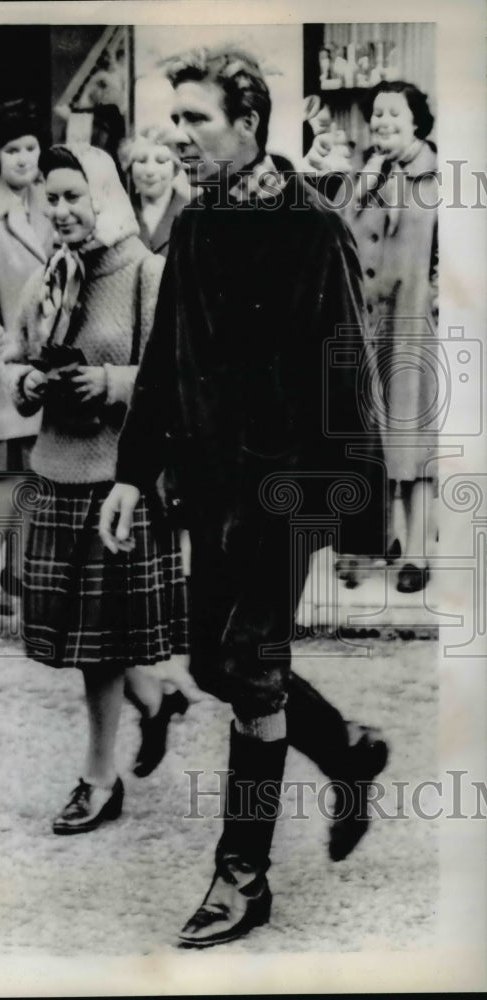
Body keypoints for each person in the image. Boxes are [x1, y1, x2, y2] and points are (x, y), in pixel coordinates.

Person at [100, 47, 389, 948]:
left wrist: (351, 517)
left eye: (196, 120)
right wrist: (131, 474)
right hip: (209, 490)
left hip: (289, 489)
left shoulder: (313, 228)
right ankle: (348, 754)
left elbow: (351, 374)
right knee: (212, 664)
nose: (178, 137)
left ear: (251, 122)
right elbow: (163, 363)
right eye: (174, 120)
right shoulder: (194, 226)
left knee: (251, 666)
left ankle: (242, 876)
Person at [2, 143, 190, 833]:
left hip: (118, 484)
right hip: (56, 475)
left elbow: (174, 375)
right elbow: (14, 356)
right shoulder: (51, 273)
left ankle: (98, 778)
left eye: (73, 196)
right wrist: (25, 382)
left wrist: (109, 382)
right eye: (51, 198)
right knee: (90, 641)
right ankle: (156, 697)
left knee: (99, 648)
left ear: (103, 197)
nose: (61, 210)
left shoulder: (146, 271)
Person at [344, 81, 439, 593]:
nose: (381, 122)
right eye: (376, 114)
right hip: (367, 326)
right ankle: (379, 541)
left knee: (414, 440)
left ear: (417, 122)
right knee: (369, 438)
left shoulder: (440, 177)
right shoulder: (366, 176)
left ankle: (419, 554)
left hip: (416, 325)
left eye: (393, 114)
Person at [0, 99, 55, 617]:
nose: (23, 158)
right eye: (12, 149)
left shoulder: (49, 201)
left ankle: (21, 572)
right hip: (2, 358)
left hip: (44, 354)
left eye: (30, 147)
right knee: (5, 474)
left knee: (35, 470)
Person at [120, 125, 189, 258]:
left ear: (175, 168)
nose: (150, 171)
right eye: (141, 160)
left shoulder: (192, 213)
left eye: (161, 161)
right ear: (129, 168)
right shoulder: (119, 212)